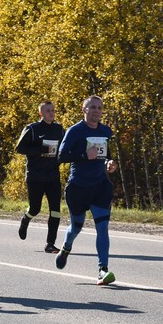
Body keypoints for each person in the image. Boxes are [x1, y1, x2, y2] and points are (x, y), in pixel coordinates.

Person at [55, 96, 120, 285]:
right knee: (77, 227)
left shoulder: (106, 131)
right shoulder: (75, 131)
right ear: (84, 109)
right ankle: (66, 247)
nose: (96, 111)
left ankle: (103, 270)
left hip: (100, 186)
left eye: (99, 108)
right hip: (78, 187)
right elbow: (61, 156)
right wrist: (84, 155)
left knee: (103, 227)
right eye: (92, 107)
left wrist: (109, 163)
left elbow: (106, 155)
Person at [15, 101, 66, 254]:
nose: (51, 113)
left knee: (55, 210)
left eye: (53, 110)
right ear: (41, 113)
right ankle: (26, 219)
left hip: (53, 176)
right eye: (48, 110)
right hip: (35, 176)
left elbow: (63, 148)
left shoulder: (59, 130)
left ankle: (50, 244)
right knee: (35, 208)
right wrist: (40, 150)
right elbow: (19, 148)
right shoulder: (32, 129)